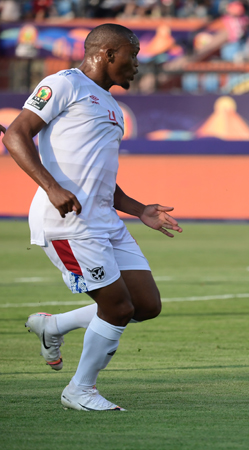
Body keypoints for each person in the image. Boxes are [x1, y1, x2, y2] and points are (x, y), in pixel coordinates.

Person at [3, 24, 182, 411]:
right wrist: (52, 188)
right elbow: (15, 134)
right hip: (68, 221)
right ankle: (79, 390)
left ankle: (54, 325)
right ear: (109, 53)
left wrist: (139, 209)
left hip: (105, 219)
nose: (137, 65)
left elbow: (99, 175)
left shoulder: (112, 106)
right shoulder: (65, 83)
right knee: (118, 308)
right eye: (133, 55)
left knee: (145, 304)